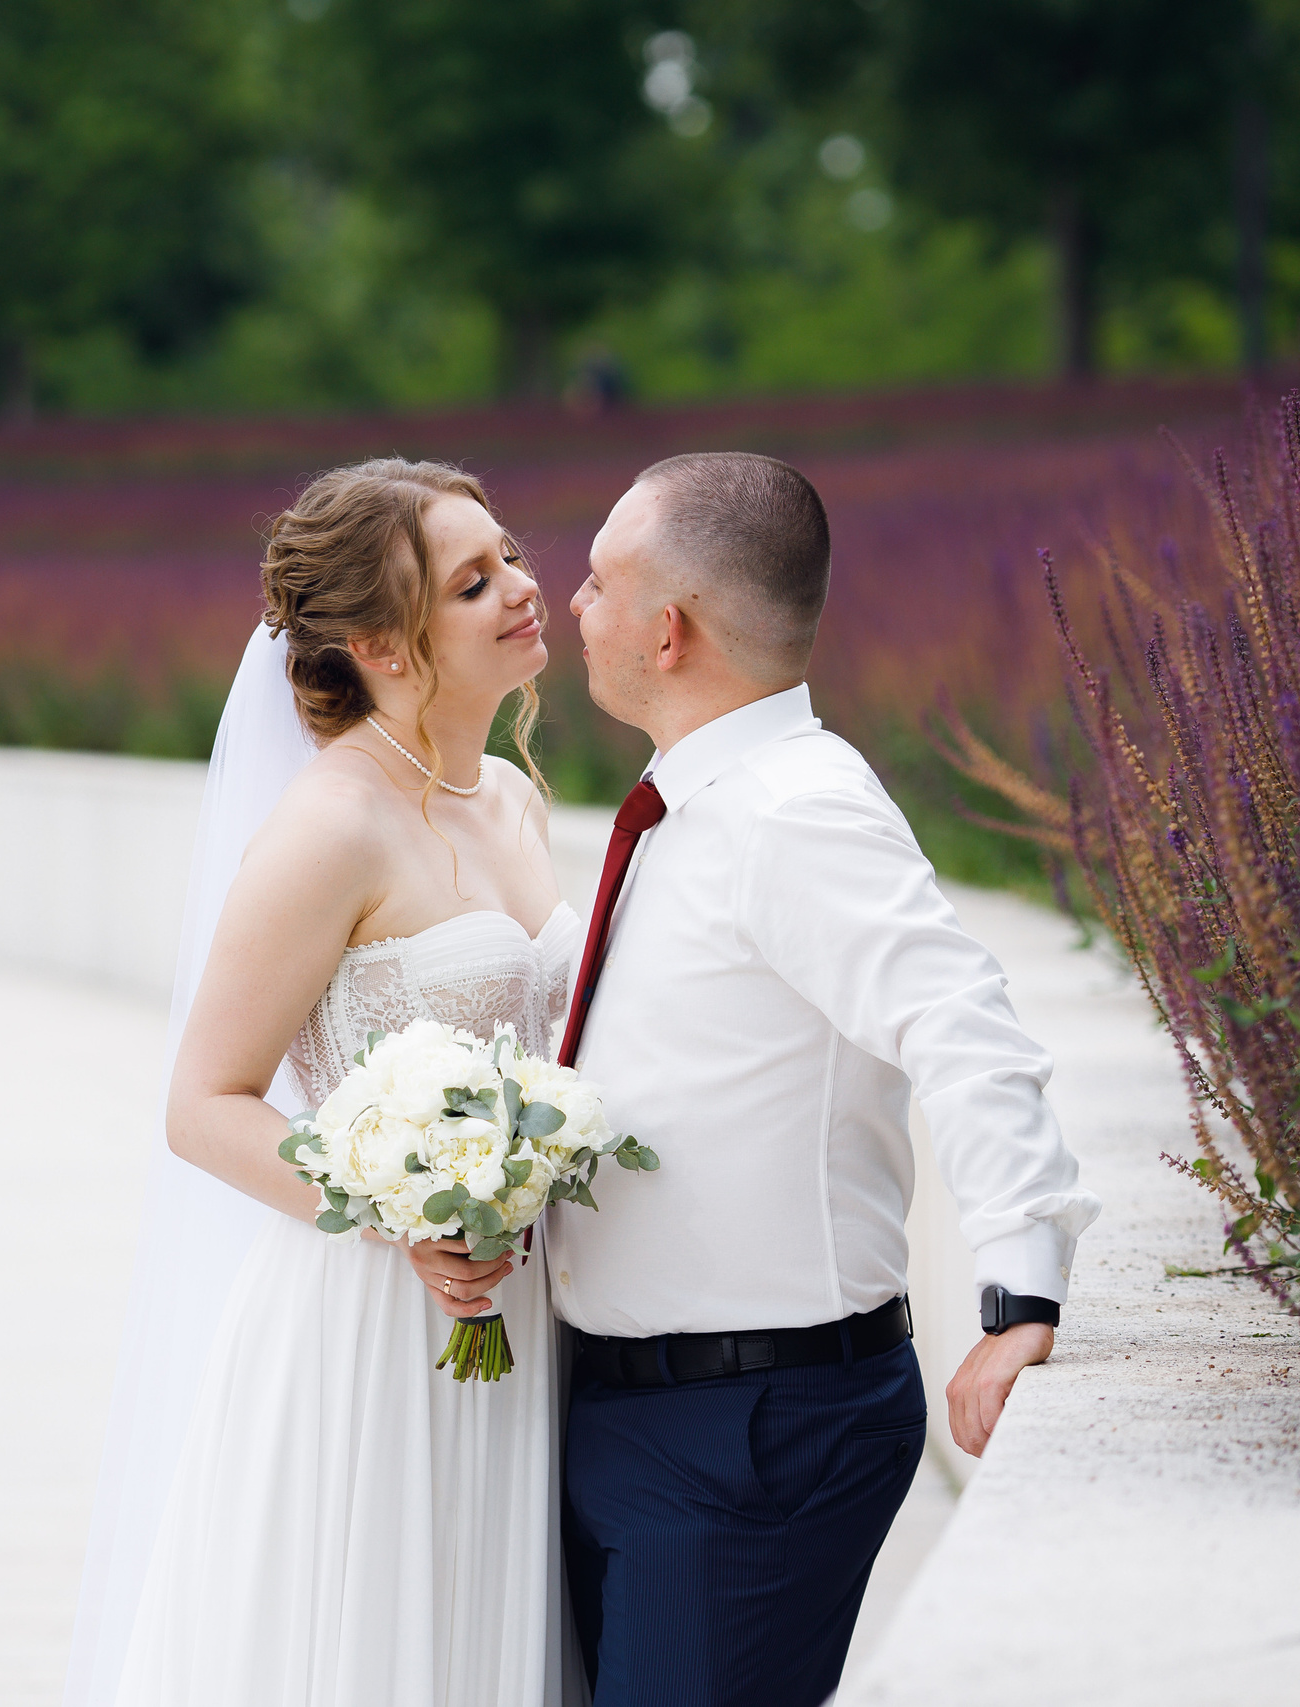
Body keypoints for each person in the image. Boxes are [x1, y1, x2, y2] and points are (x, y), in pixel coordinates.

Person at [550, 452, 1103, 1705]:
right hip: (633, 1415)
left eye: (595, 582)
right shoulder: (692, 806)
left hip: (751, 1431)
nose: (570, 605)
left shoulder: (795, 811)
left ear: (669, 629)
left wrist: (1021, 1289)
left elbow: (958, 1016)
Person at [65, 459, 586, 1707]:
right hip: (369, 1316)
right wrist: (399, 1213)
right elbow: (204, 1105)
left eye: (509, 555)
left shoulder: (506, 798)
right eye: (474, 583)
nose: (523, 588)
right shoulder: (328, 829)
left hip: (517, 1300)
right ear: (380, 647)